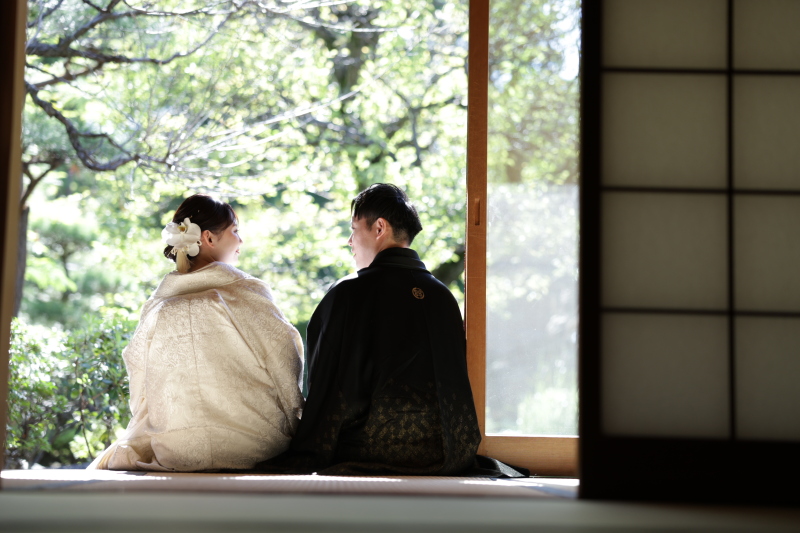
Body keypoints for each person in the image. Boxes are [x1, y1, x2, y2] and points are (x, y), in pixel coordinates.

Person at [258, 183, 482, 475]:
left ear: (379, 228)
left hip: (370, 454)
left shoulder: (349, 294)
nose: (350, 241)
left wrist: (307, 452)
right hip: (448, 456)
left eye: (354, 229)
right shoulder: (443, 297)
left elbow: (327, 389)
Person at [89, 194, 304, 471]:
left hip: (176, 449)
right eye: (235, 231)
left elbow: (139, 384)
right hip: (254, 445)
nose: (241, 241)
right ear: (209, 238)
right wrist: (296, 421)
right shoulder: (248, 293)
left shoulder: (159, 306)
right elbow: (285, 361)